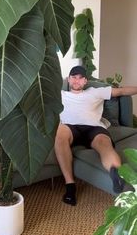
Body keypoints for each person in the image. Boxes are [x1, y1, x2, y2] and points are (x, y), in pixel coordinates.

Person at [54, 65, 137, 206]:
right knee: (60, 134)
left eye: (80, 78)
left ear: (85, 81)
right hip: (69, 127)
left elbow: (121, 91)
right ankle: (70, 186)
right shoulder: (60, 95)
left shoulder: (95, 92)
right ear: (68, 79)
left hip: (94, 127)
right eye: (74, 77)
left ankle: (116, 172)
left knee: (105, 144)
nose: (76, 81)